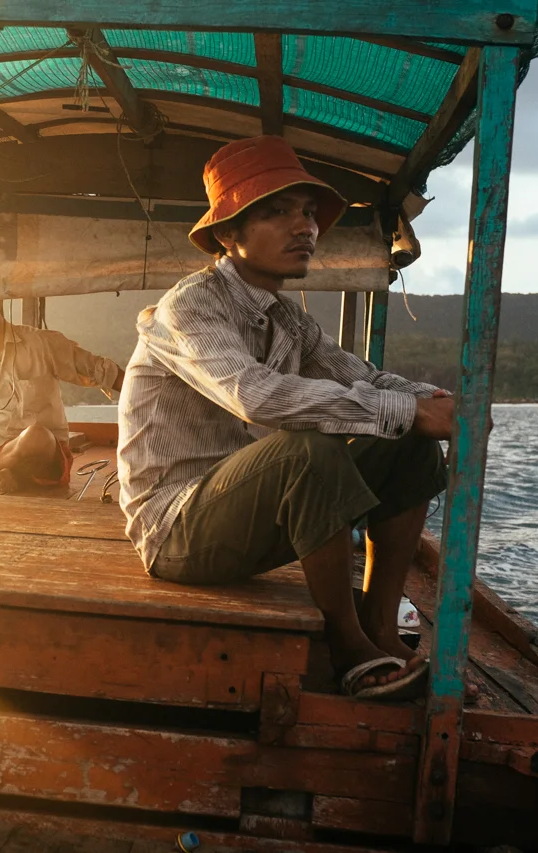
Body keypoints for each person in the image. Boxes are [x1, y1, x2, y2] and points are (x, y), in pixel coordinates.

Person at [117, 136, 454, 701]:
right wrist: (408, 409)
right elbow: (255, 396)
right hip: (176, 530)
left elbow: (365, 379)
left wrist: (438, 402)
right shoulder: (189, 307)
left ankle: (375, 624)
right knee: (310, 448)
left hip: (243, 513)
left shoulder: (288, 322)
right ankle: (345, 645)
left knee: (409, 442)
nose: (304, 227)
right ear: (229, 235)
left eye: (307, 212)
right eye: (277, 212)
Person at [0, 300, 124, 493]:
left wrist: (145, 394)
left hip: (38, 450)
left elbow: (97, 369)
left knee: (36, 435)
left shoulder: (41, 343)